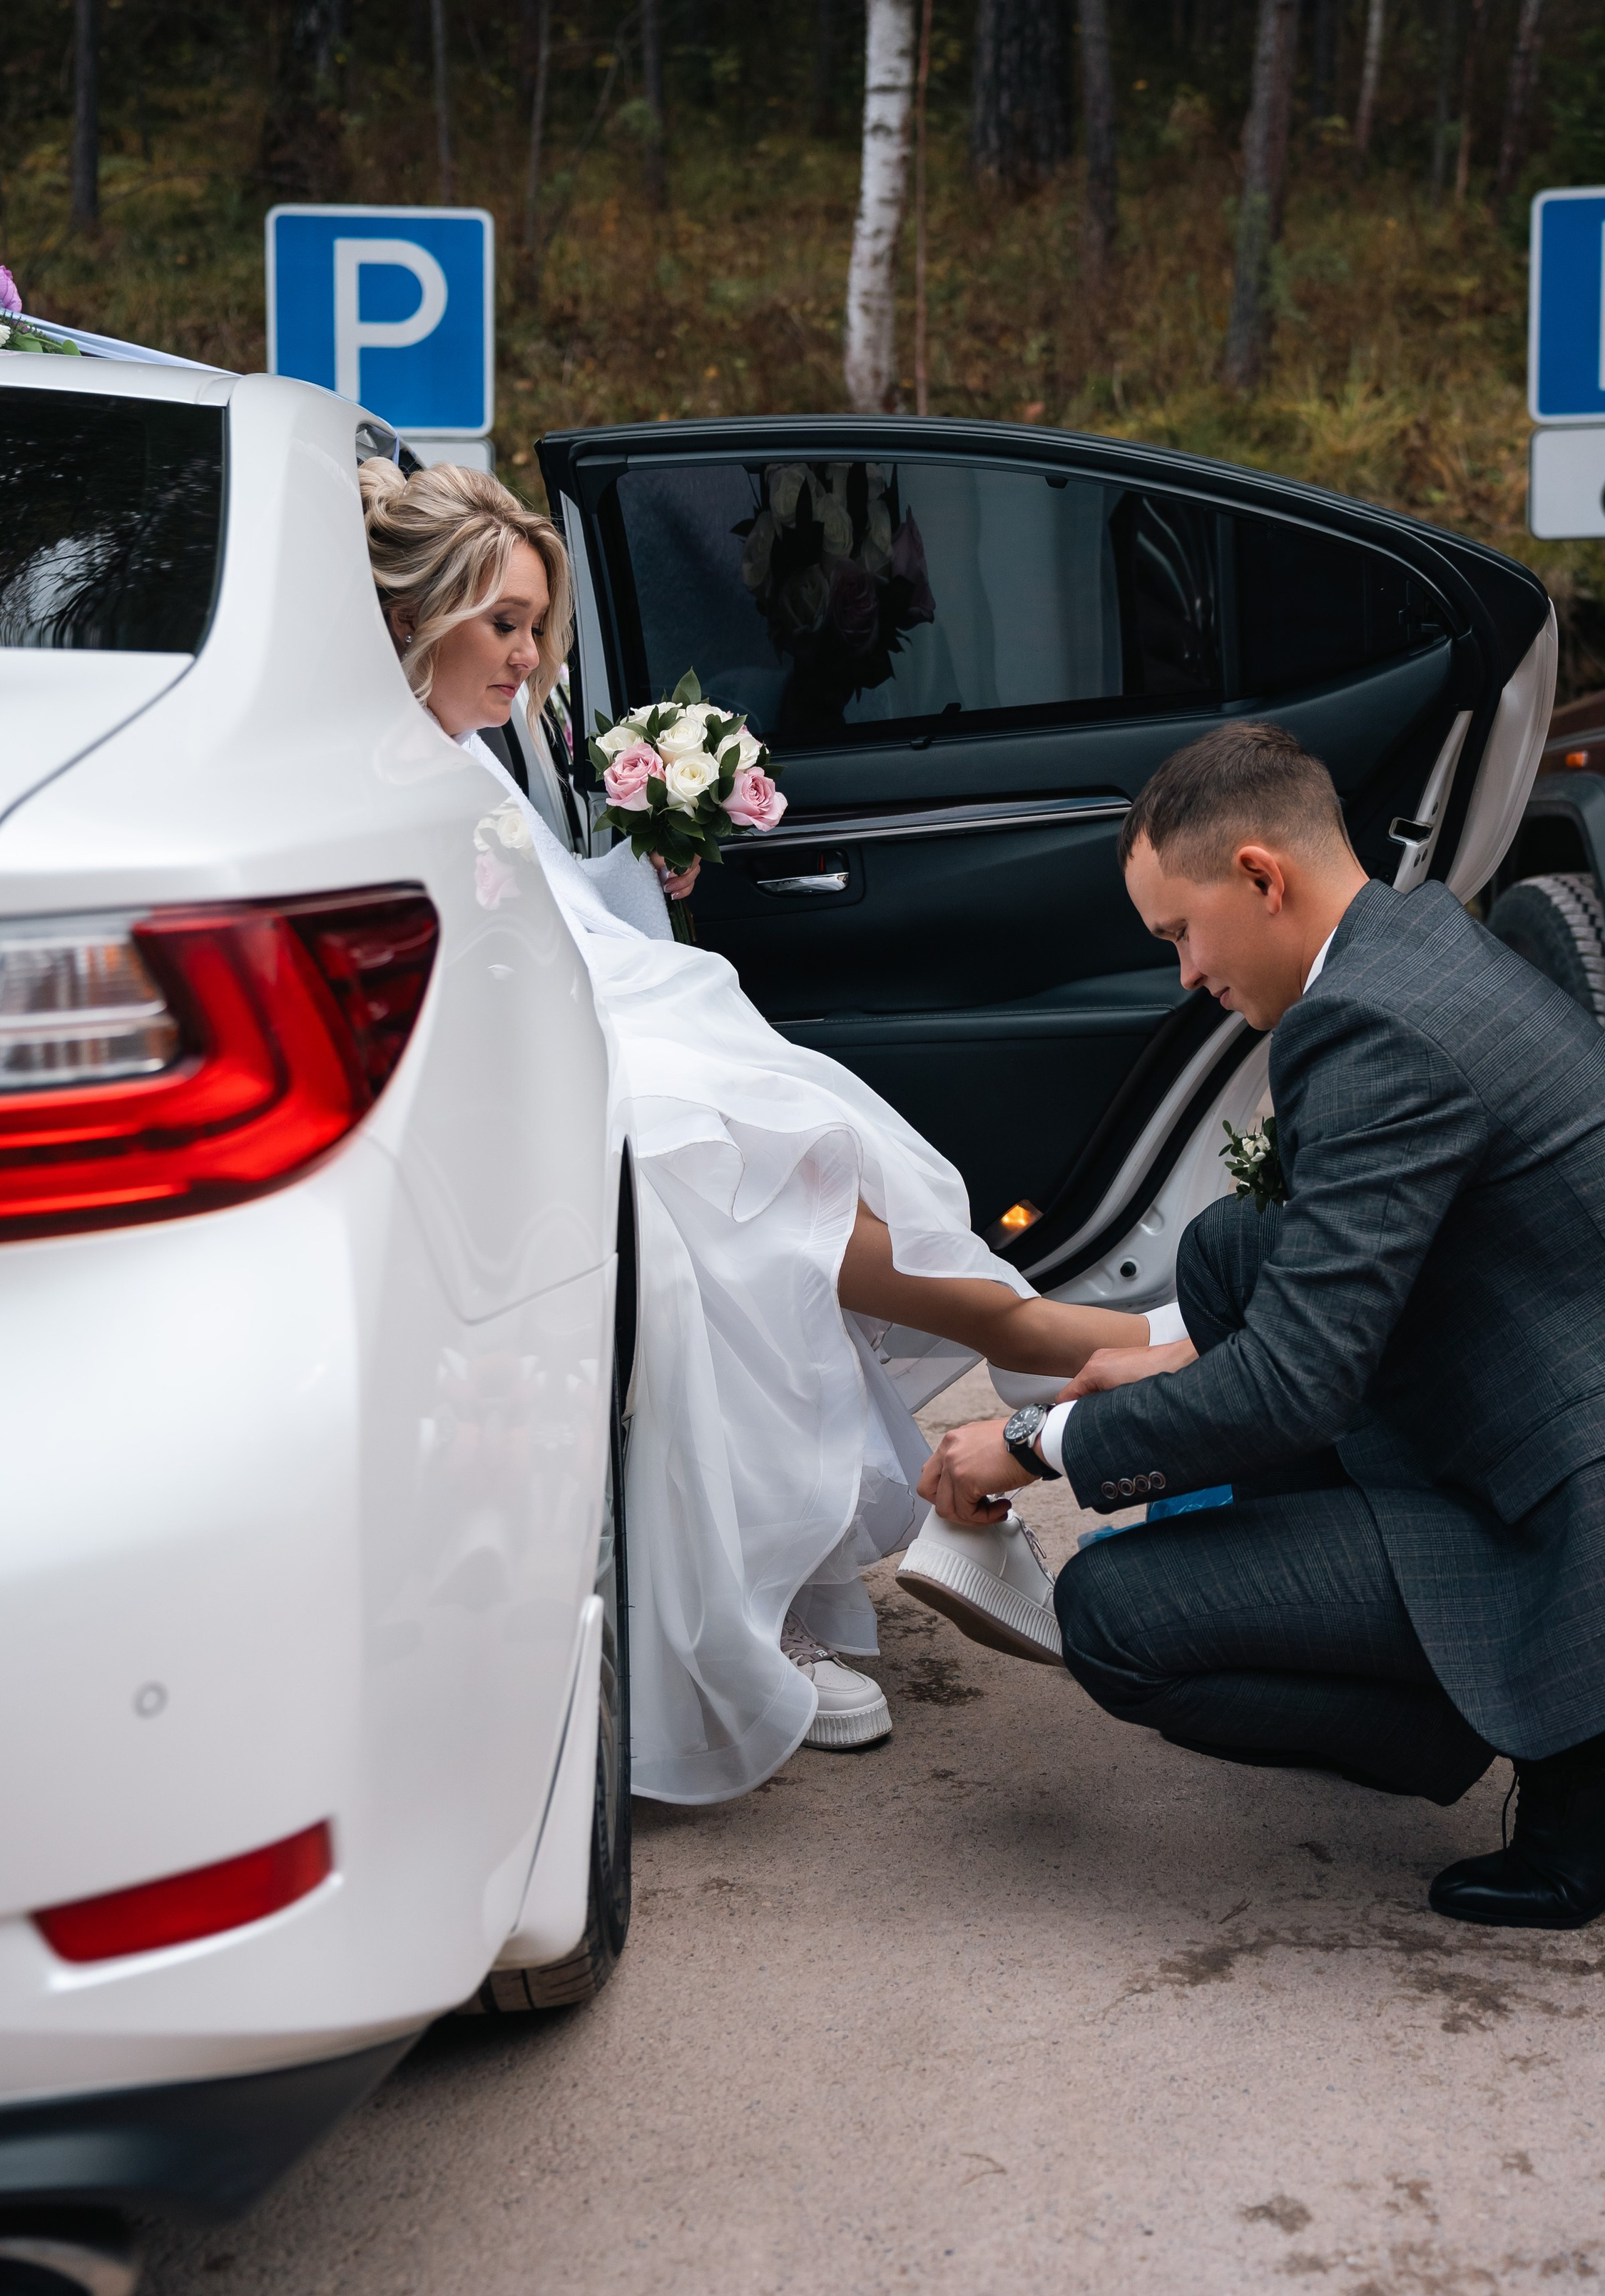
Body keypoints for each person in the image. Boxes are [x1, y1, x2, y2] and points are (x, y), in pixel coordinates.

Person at [917, 720, 1605, 1929]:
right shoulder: (1410, 944)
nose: (1184, 973)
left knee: (1115, 1619)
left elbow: (1299, 1384)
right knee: (1234, 1252)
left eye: (1180, 932)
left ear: (1260, 875)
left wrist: (1034, 1443)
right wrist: (1164, 1355)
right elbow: (1315, 1289)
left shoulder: (1369, 1030)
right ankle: (1429, 1636)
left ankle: (1592, 1743)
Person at [359, 457, 1158, 1804]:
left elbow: (558, 914)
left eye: (536, 626)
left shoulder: (463, 752)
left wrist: (637, 865)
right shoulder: (380, 771)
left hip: (603, 1033)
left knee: (814, 1169)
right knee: (766, 1199)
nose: (527, 656)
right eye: (500, 622)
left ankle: (1057, 1358)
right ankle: (1079, 1356)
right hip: (537, 1074)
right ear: (413, 612)